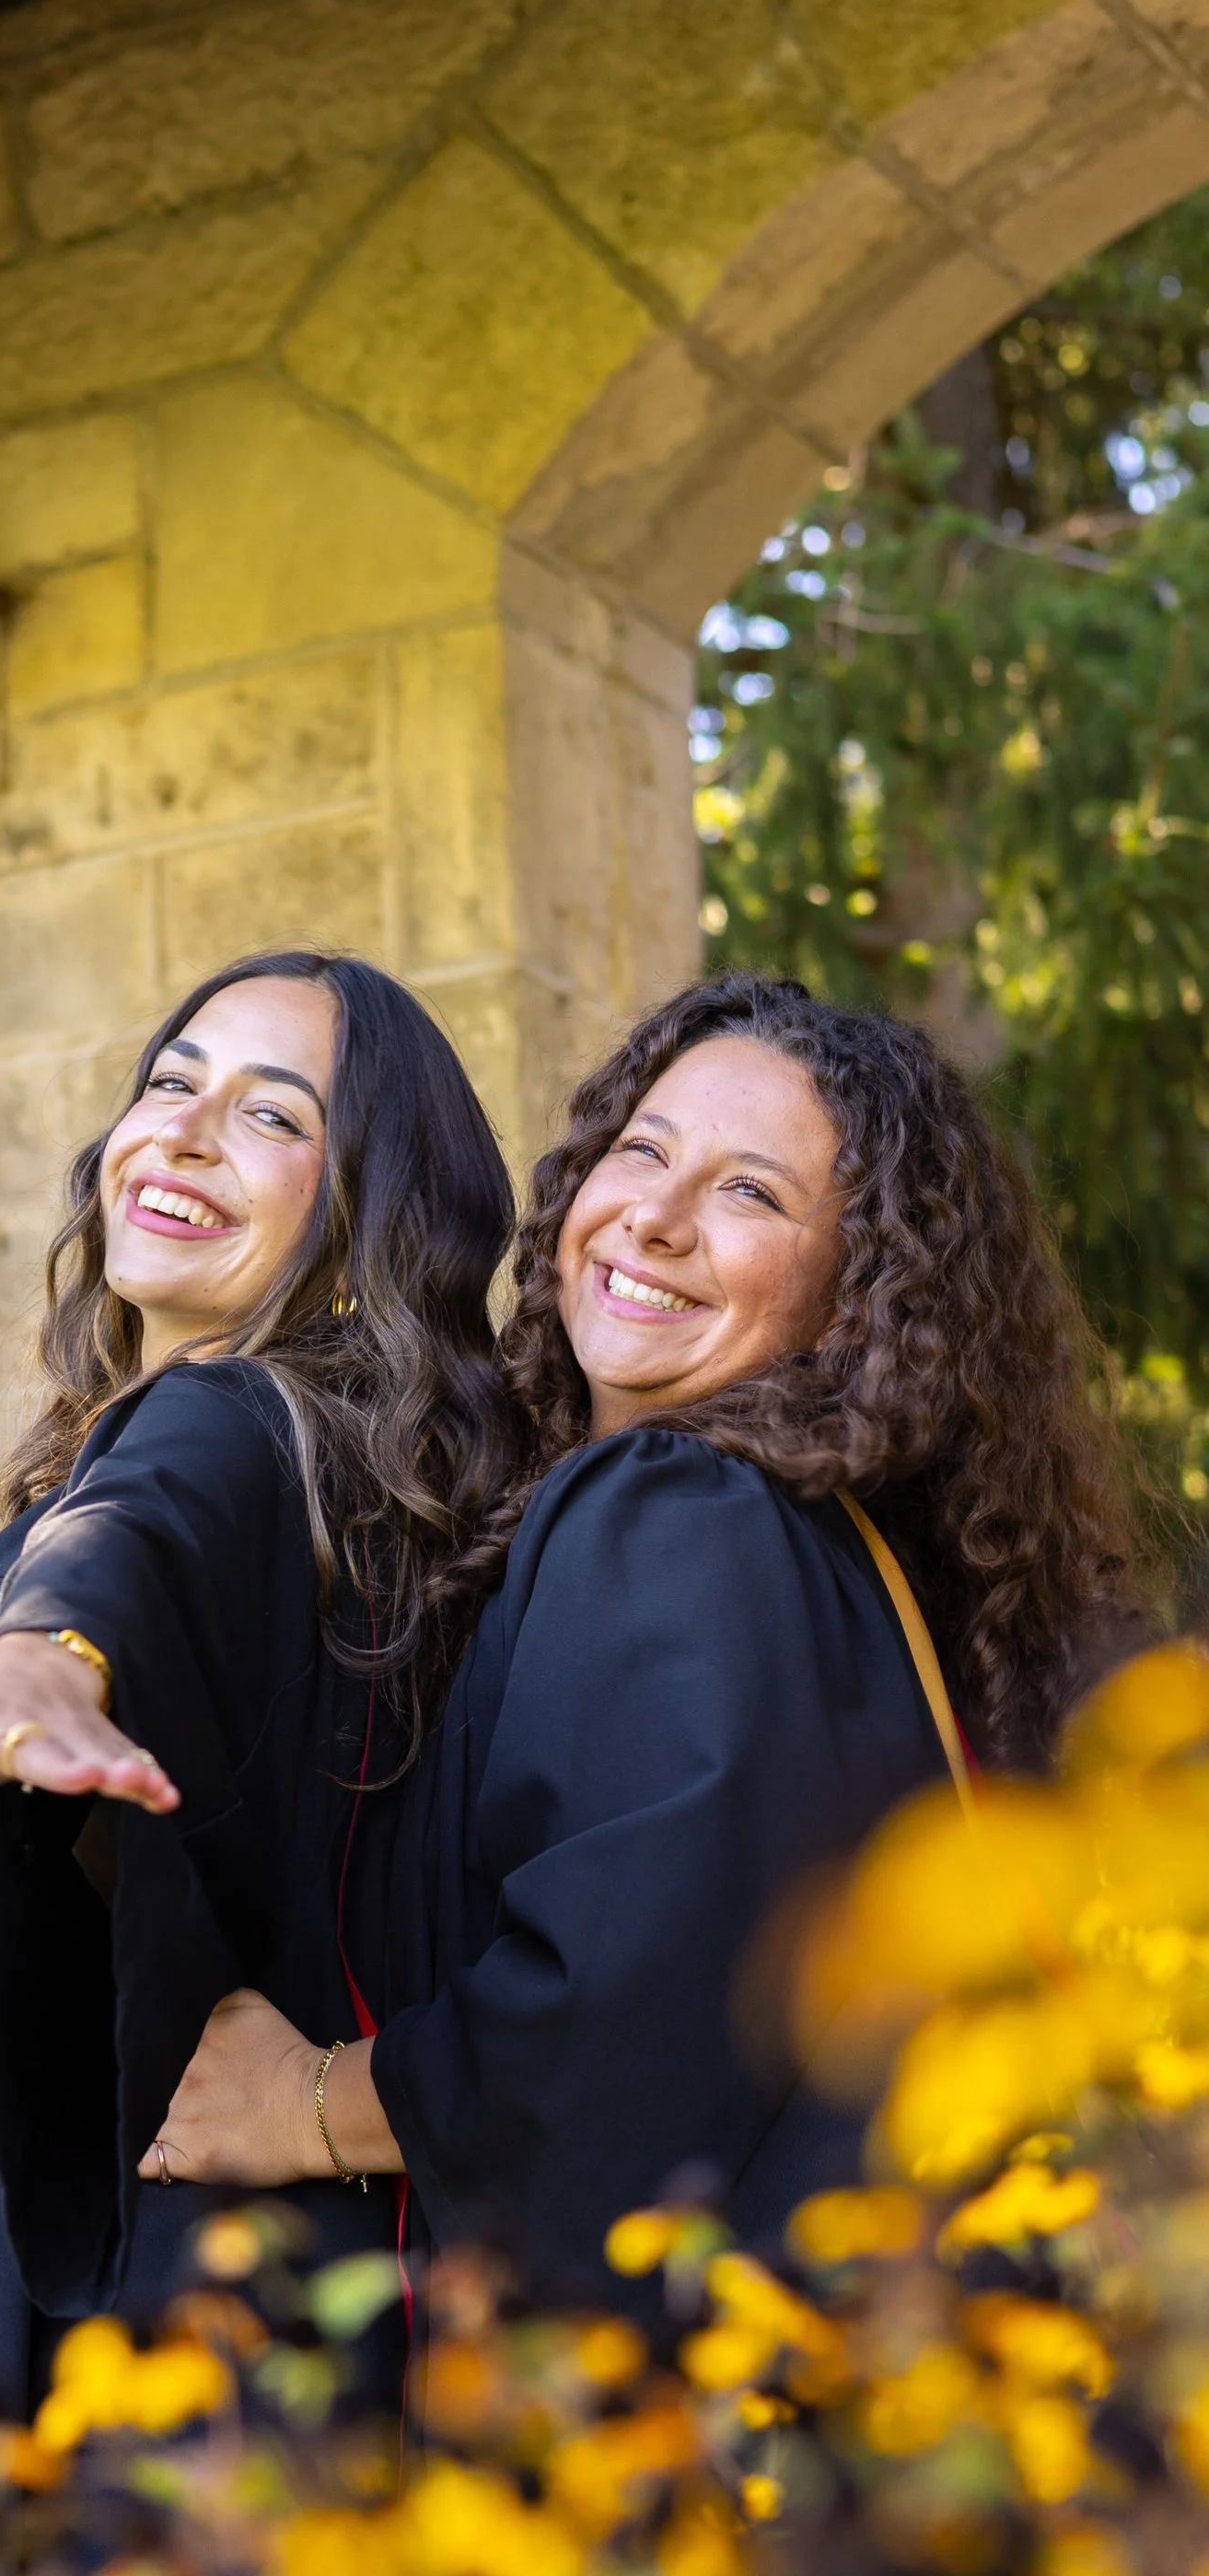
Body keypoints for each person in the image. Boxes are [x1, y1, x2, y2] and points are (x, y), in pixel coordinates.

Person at [145, 972, 1145, 2294]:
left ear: (862, 1290)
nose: (656, 1221)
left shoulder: (678, 1506)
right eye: (643, 1153)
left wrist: (309, 2099)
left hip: (696, 2423)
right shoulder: (821, 1552)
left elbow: (628, 2009)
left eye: (753, 1194)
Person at [0, 950, 518, 2422]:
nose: (180, 1129)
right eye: (170, 1083)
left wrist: (42, 1656)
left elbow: (136, 1542)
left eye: (271, 1114)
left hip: (207, 2332)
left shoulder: (236, 1423)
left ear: (365, 1209)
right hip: (308, 2292)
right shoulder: (357, 1490)